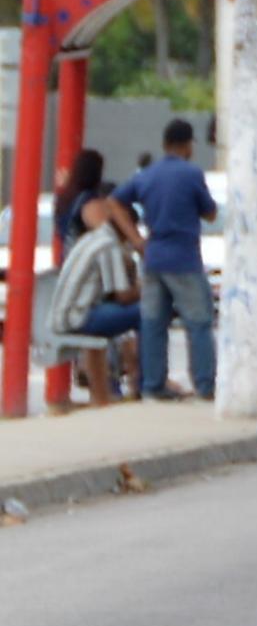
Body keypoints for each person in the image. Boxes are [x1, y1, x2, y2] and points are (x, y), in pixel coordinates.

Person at [112, 119, 214, 401]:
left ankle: (153, 386)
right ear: (187, 144)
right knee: (199, 322)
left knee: (154, 323)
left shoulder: (146, 175)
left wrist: (135, 239)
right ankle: (205, 385)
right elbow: (210, 212)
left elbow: (115, 202)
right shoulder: (191, 174)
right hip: (184, 258)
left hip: (153, 257)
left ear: (165, 144)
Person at [45, 189, 142, 409]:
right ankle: (146, 383)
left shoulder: (93, 238)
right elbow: (123, 295)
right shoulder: (109, 245)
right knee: (148, 312)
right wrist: (148, 290)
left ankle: (101, 396)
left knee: (115, 321)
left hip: (66, 314)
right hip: (80, 317)